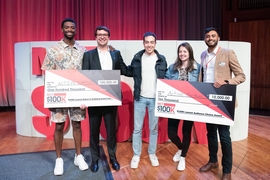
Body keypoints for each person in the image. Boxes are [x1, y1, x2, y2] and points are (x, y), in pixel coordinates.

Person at [41, 18, 89, 176]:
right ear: (62, 29)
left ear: (75, 29)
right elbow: (47, 74)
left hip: (77, 96)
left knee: (77, 125)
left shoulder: (82, 50)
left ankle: (78, 156)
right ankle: (59, 159)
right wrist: (49, 98)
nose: (70, 29)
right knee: (59, 126)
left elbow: (87, 74)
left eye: (72, 27)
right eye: (67, 27)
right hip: (59, 96)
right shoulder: (53, 50)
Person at [81, 26, 131, 172]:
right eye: (99, 34)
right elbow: (84, 77)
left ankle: (113, 158)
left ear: (109, 37)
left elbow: (125, 70)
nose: (102, 37)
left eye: (105, 34)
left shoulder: (116, 54)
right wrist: (83, 98)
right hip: (94, 99)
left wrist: (140, 67)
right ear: (95, 37)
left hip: (111, 98)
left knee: (111, 131)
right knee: (93, 132)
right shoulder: (88, 55)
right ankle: (95, 160)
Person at [198, 27, 246, 180]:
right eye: (207, 36)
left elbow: (241, 76)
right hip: (208, 99)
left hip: (224, 101)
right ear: (205, 39)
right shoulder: (203, 55)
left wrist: (227, 81)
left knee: (224, 136)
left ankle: (227, 170)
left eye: (213, 35)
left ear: (218, 37)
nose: (210, 38)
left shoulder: (227, 53)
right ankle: (213, 161)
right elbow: (202, 75)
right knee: (210, 133)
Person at [129, 32, 167, 169]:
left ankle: (152, 153)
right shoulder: (137, 58)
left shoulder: (161, 59)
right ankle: (136, 154)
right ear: (143, 43)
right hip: (140, 98)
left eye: (152, 42)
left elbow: (166, 77)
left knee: (153, 129)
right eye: (147, 42)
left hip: (155, 99)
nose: (149, 44)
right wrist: (117, 60)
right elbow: (129, 71)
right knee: (137, 129)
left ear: (155, 44)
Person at [165, 42, 200, 171]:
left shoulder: (198, 68)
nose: (182, 54)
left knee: (186, 132)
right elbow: (166, 83)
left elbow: (201, 85)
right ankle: (181, 148)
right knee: (171, 133)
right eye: (180, 51)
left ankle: (183, 157)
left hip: (190, 105)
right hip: (175, 104)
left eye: (185, 51)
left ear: (189, 52)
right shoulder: (172, 67)